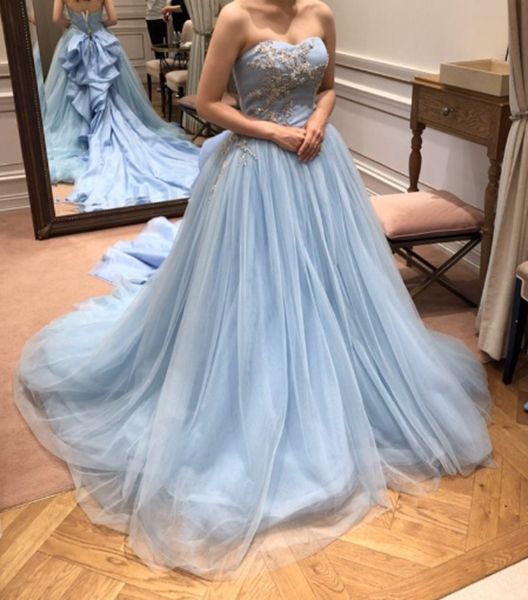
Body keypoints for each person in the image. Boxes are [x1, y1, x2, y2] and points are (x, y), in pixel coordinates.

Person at [15, 0, 493, 580]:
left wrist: (317, 121)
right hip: (255, 166)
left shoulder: (321, 13)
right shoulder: (237, 16)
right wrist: (274, 131)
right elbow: (207, 103)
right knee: (253, 288)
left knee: (331, 284)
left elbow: (329, 88)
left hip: (319, 165)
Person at [44, 0, 199, 211]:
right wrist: (98, 24)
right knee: (109, 90)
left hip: (74, 41)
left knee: (74, 92)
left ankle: (83, 133)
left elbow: (55, 18)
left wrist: (74, 24)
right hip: (101, 39)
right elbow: (114, 19)